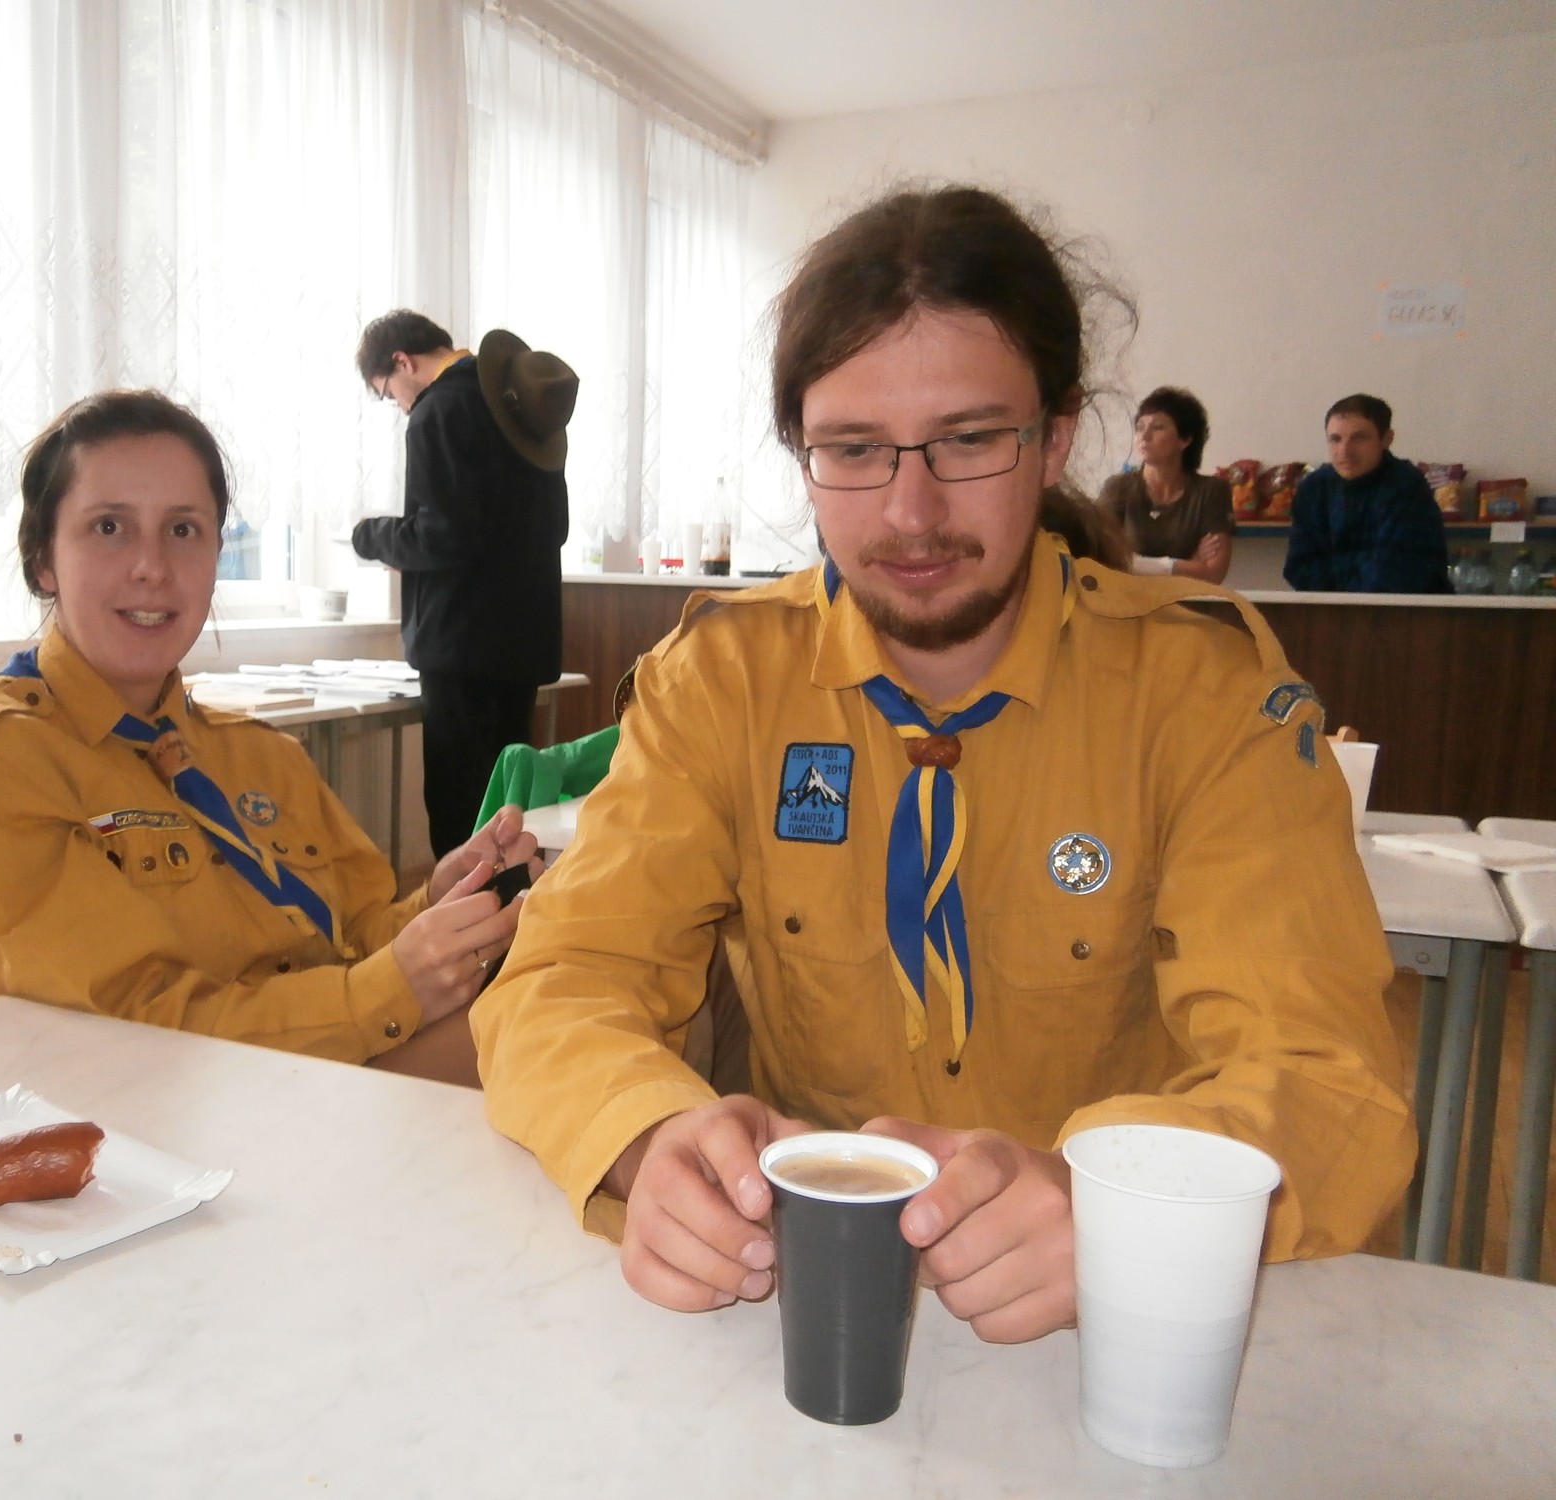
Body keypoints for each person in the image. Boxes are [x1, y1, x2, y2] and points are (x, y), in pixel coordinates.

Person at [470, 185, 1414, 1344]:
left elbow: (1327, 1078)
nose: (909, 512)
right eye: (852, 450)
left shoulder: (1205, 695)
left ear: (1053, 439)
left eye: (967, 440)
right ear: (800, 456)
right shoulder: (719, 681)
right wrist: (640, 1135)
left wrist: (1122, 1207)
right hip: (803, 1312)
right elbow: (562, 978)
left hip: (1111, 1324)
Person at [0, 389, 537, 1084]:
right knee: (533, 1047)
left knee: (566, 1006)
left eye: (183, 530)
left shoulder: (262, 755)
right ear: (42, 558)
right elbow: (112, 1035)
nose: (152, 566)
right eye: (109, 527)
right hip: (120, 1117)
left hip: (294, 1082)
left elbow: (352, 939)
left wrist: (441, 904)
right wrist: (384, 991)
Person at [352, 312, 573, 859]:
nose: (399, 404)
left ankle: (463, 915)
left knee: (460, 815)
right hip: (523, 645)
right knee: (510, 813)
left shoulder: (440, 409)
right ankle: (511, 911)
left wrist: (370, 536)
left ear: (402, 361)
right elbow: (554, 527)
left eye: (388, 392)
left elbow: (441, 535)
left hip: (462, 647)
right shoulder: (516, 399)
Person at [1283, 394, 1449, 593]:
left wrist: (1335, 586)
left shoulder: (1407, 486)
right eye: (1335, 439)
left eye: (1359, 438)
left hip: (1406, 610)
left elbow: (1396, 573)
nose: (1345, 450)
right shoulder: (1313, 488)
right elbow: (1299, 568)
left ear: (1386, 439)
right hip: (1328, 608)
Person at [1096, 386, 1233, 582]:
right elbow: (1100, 560)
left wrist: (1135, 563)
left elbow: (1213, 574)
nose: (1144, 436)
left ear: (1185, 439)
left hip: (1188, 599)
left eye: (1158, 427)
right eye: (1140, 427)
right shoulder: (1117, 488)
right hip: (1127, 598)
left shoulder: (1212, 491)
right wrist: (1187, 563)